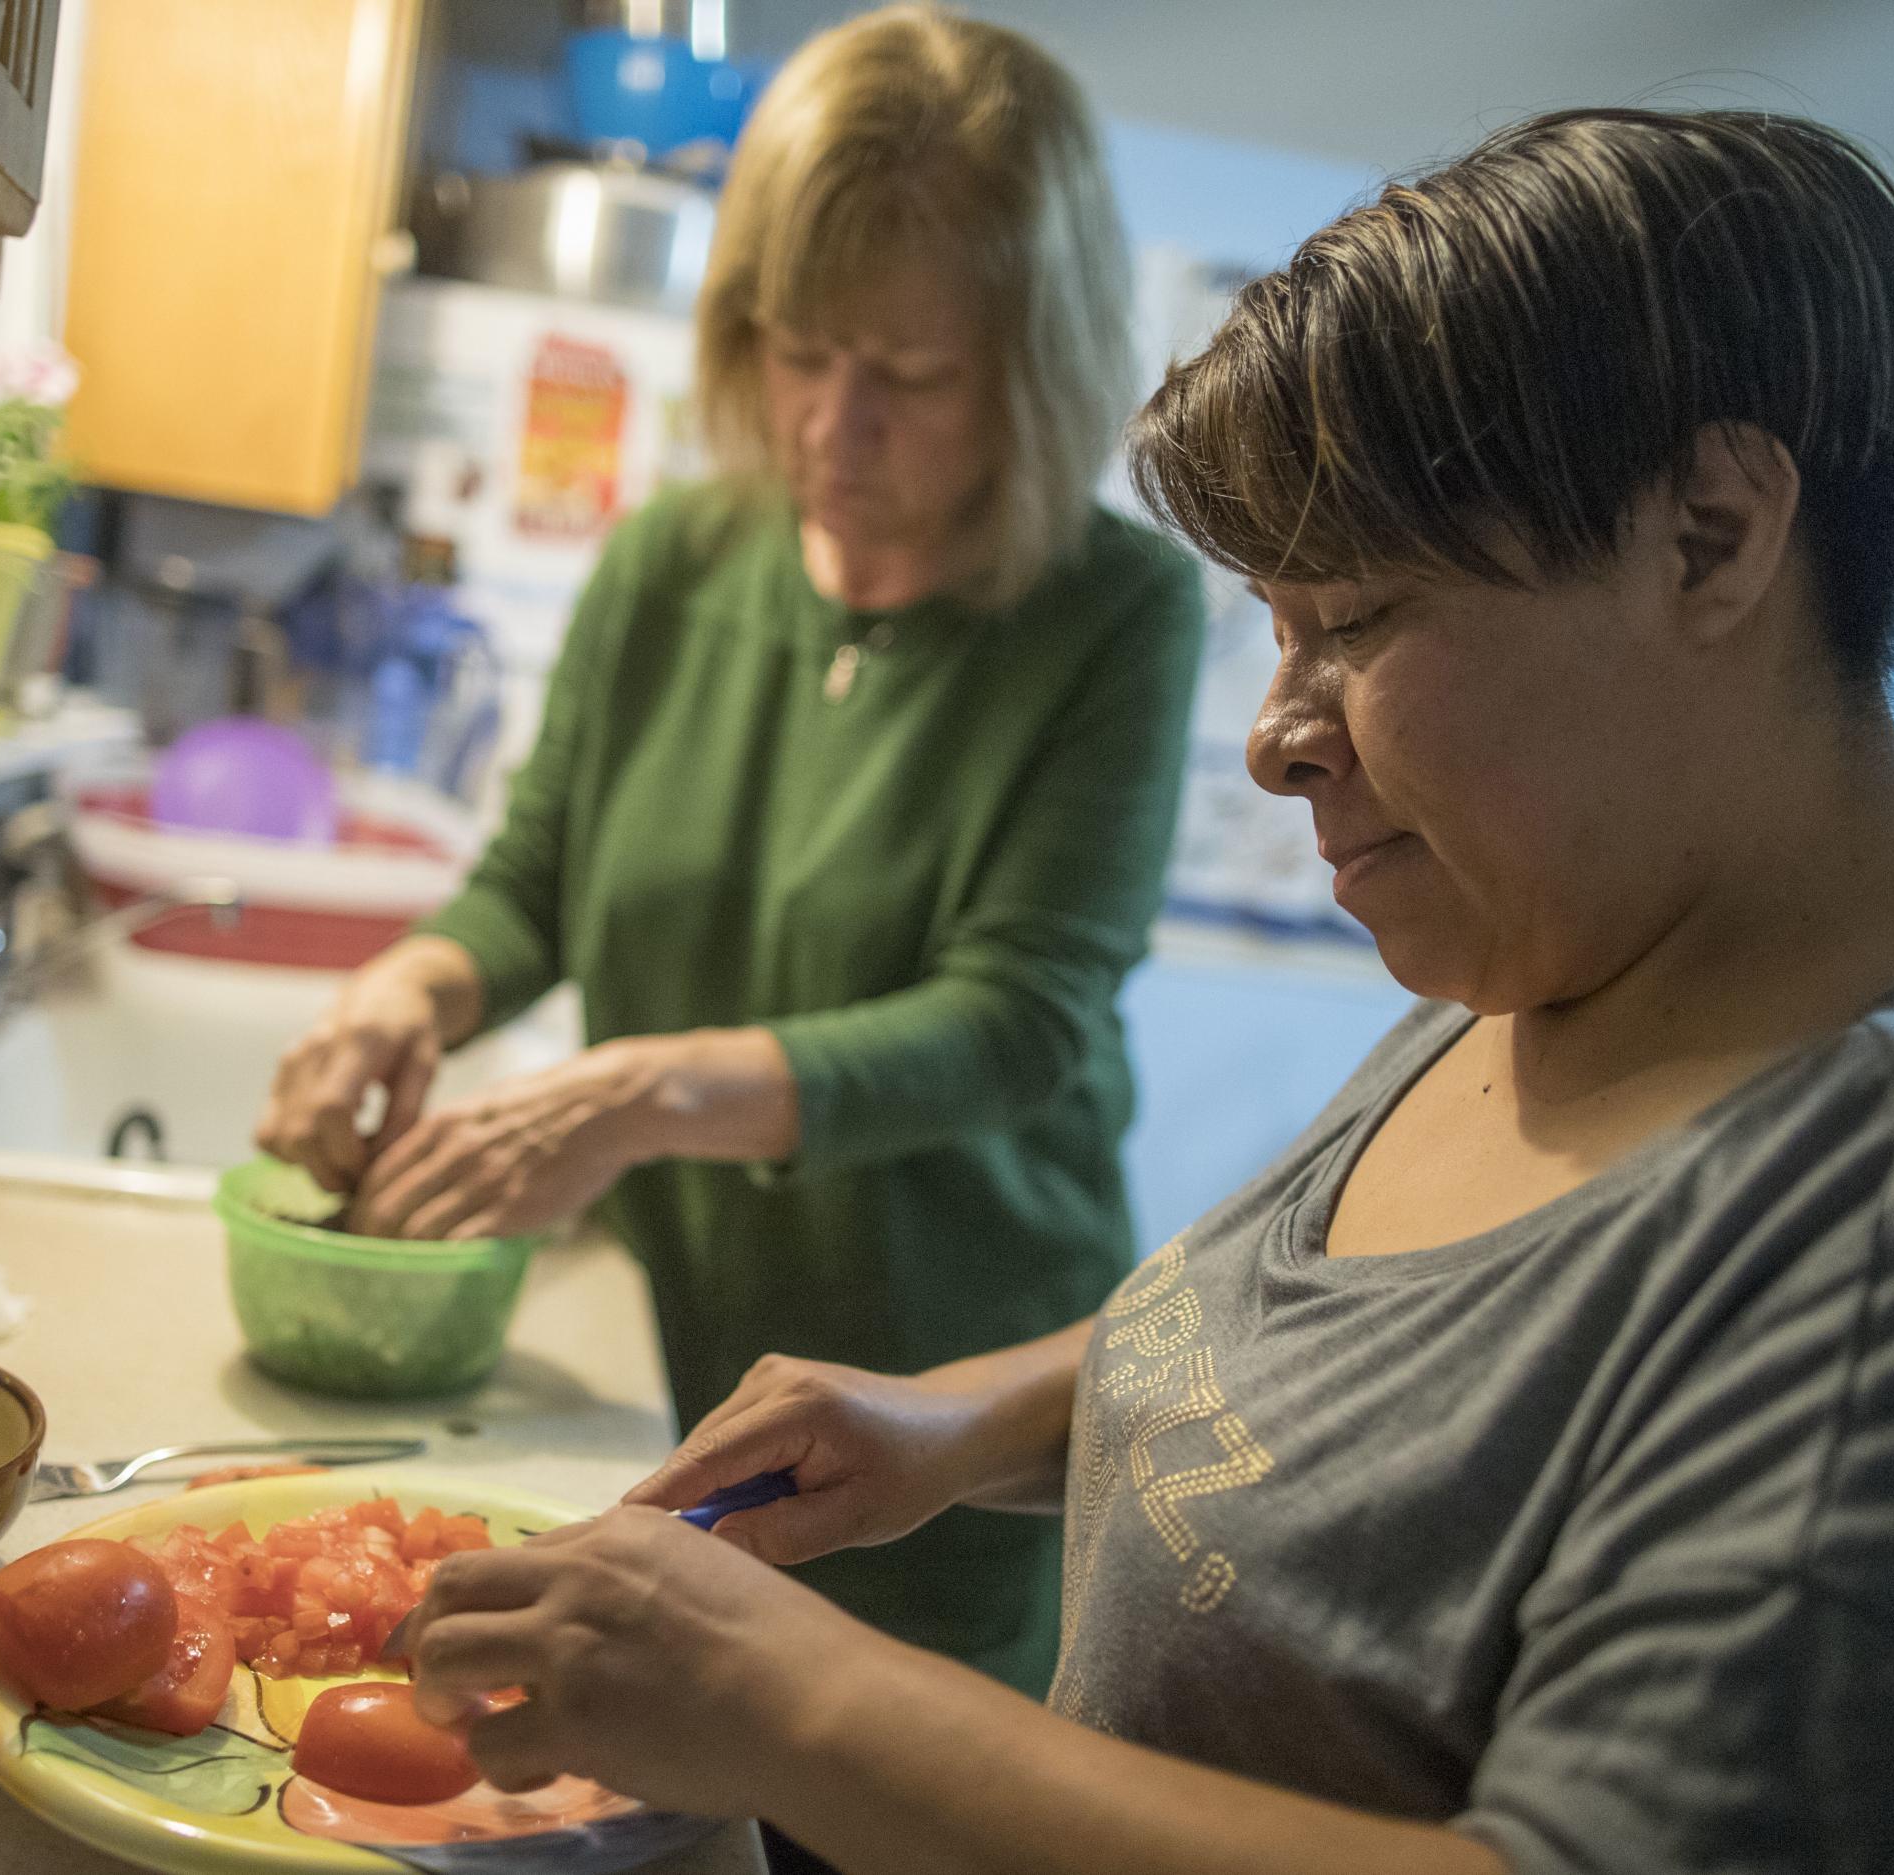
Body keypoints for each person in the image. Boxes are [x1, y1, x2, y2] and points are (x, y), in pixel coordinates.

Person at [386, 107, 1894, 1874]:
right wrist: (954, 1425)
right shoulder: (1553, 964)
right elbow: (1352, 1387)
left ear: (1708, 535)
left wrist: (789, 1704)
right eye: (1278, 630)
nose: (1273, 739)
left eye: (1360, 622)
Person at [256, 6, 1201, 1708]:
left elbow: (1020, 1016)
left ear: (1036, 365)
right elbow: (539, 880)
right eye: (796, 348)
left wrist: (637, 1095)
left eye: (910, 378)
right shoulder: (677, 556)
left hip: (938, 1424)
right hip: (677, 1367)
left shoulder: (1115, 614)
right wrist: (414, 984)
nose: (837, 424)